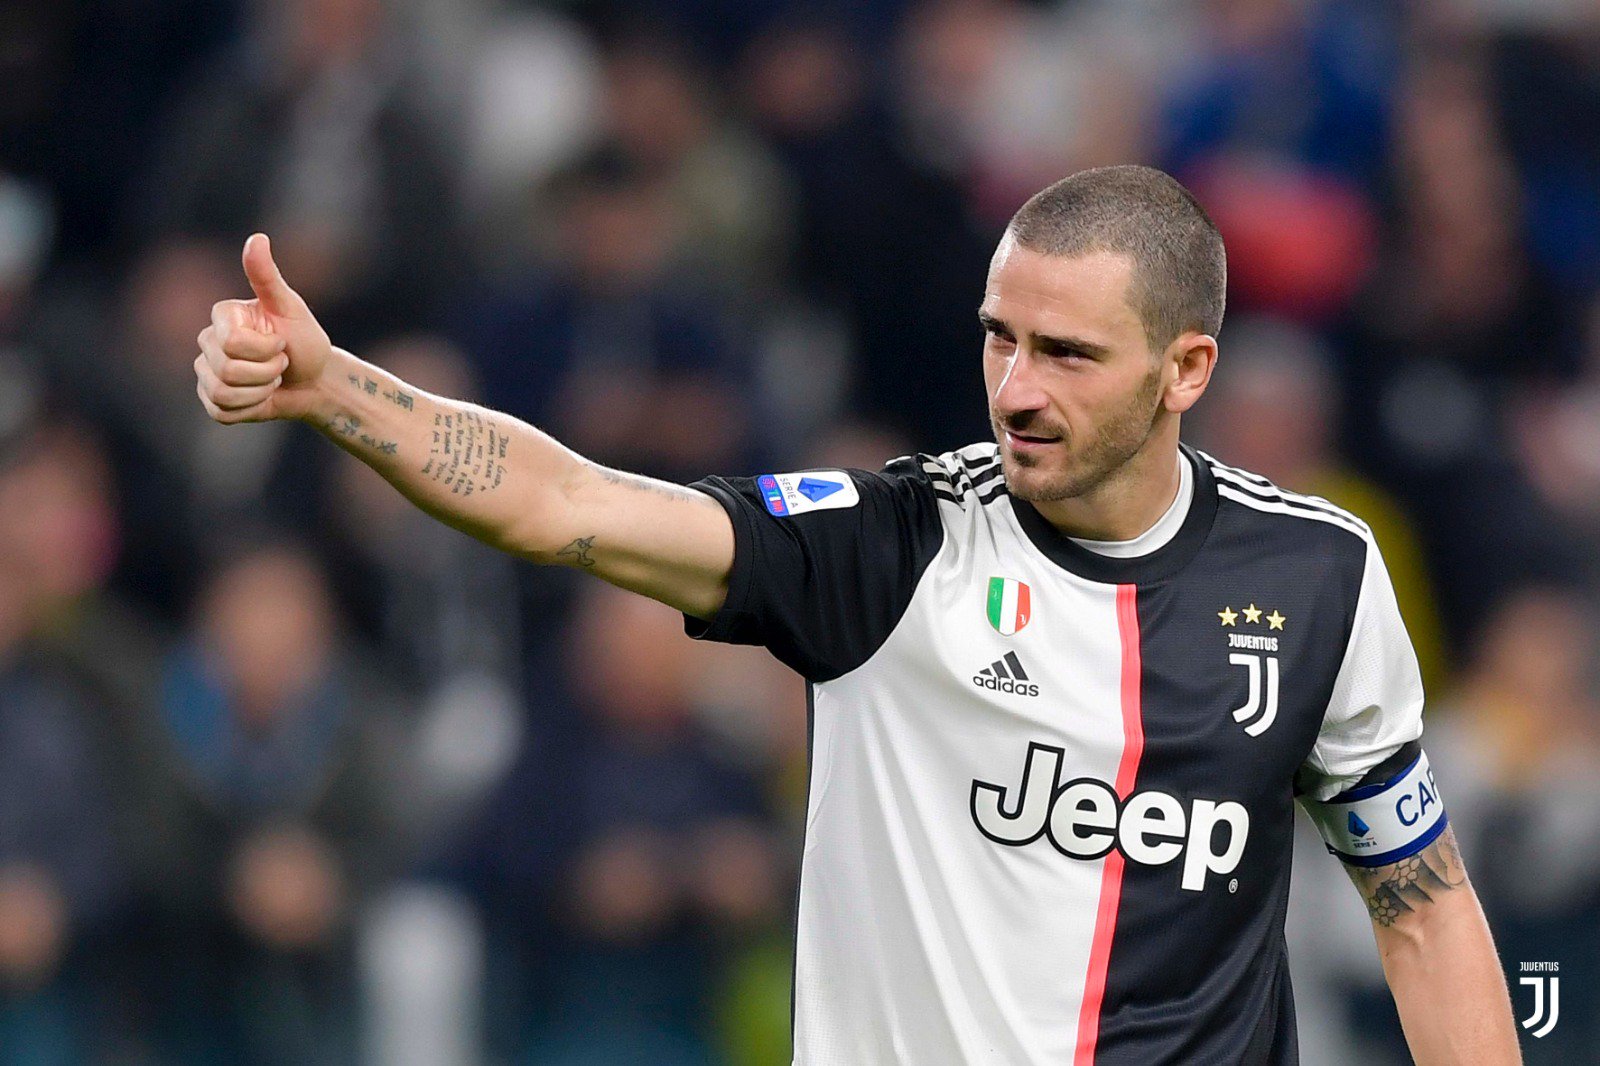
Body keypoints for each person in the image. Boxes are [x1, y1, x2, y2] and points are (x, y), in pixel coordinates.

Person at [192, 165, 1520, 1064]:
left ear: (1188, 369)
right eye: (1000, 337)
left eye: (1067, 353)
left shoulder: (1319, 576)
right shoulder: (892, 544)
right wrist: (335, 389)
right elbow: (564, 500)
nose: (1016, 387)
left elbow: (1421, 903)